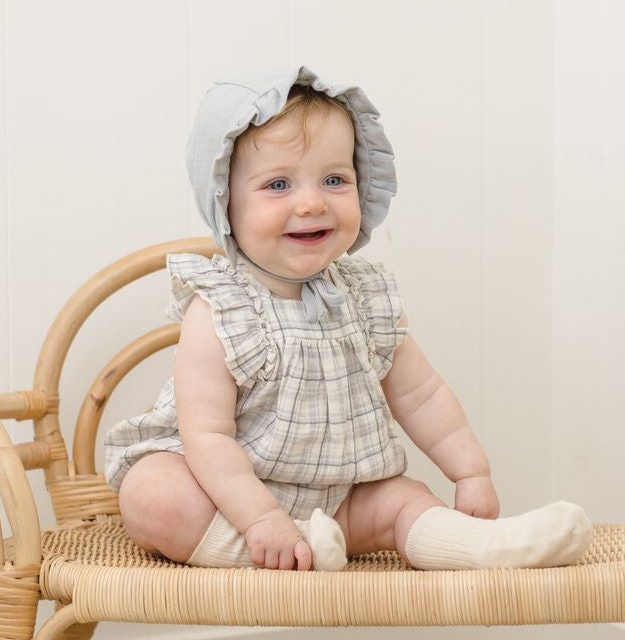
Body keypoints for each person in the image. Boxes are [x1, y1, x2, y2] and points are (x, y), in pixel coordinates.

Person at [104, 65, 592, 572]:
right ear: (225, 203)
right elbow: (207, 437)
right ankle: (283, 550)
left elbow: (422, 396)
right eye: (278, 184)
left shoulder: (365, 298)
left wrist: (471, 472)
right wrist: (261, 518)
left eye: (334, 180)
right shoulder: (220, 309)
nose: (312, 203)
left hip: (339, 503)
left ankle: (483, 546)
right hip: (227, 498)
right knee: (152, 494)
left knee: (403, 498)